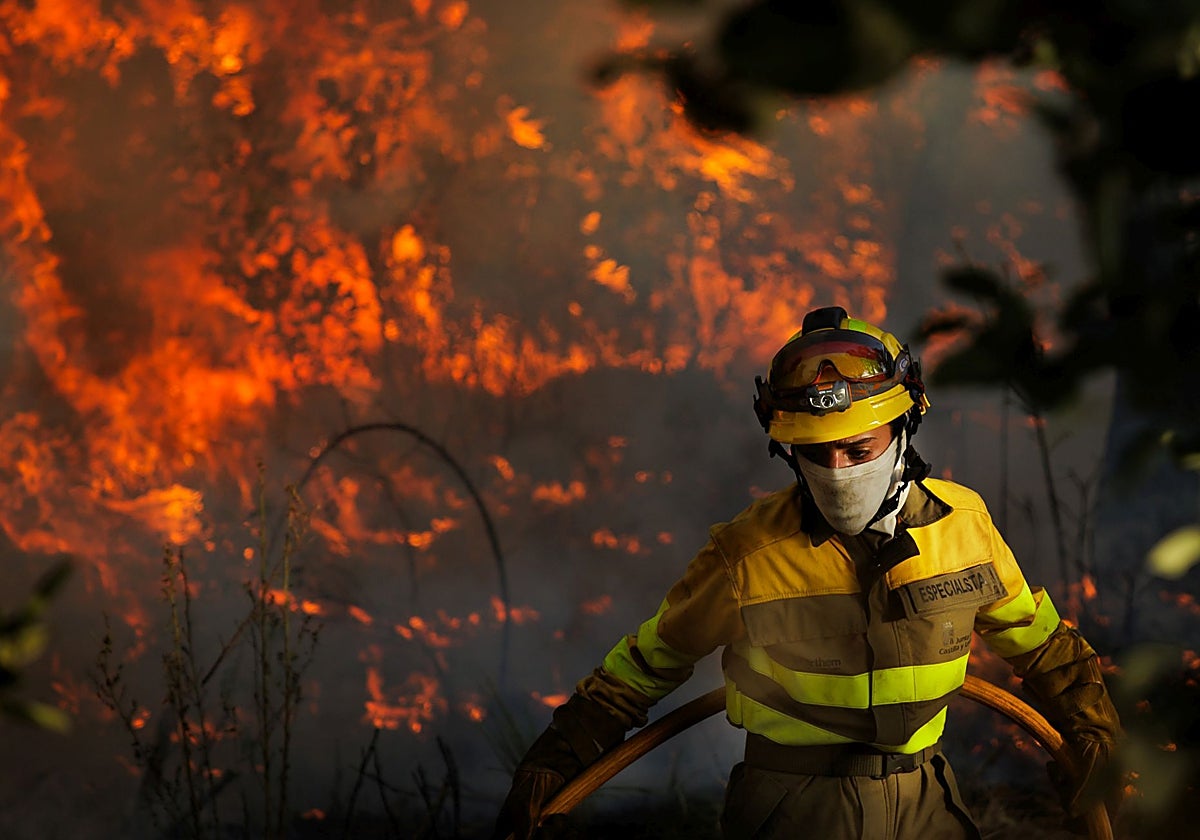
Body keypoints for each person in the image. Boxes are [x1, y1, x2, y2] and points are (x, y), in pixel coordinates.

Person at [492, 306, 1122, 840]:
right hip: (794, 810)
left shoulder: (964, 528)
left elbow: (1038, 640)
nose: (839, 471)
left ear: (904, 428)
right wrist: (556, 761)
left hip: (928, 804)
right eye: (816, 453)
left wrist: (1092, 727)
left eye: (858, 449)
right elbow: (647, 664)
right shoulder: (747, 553)